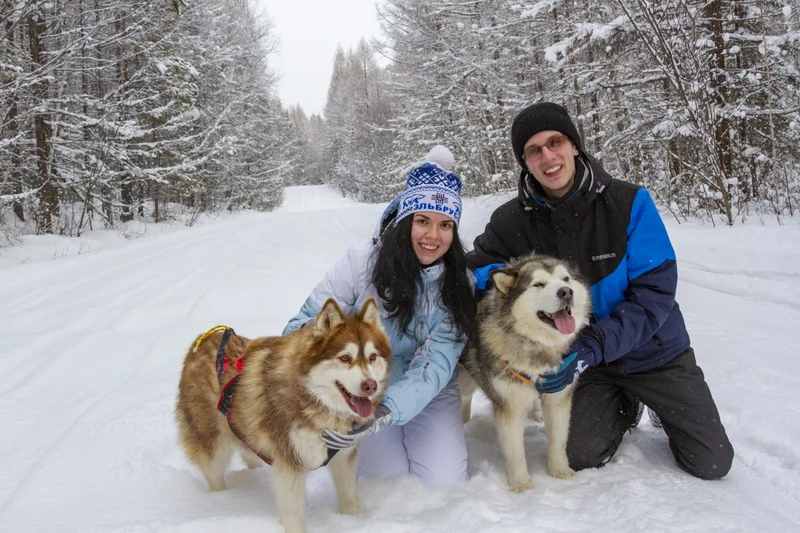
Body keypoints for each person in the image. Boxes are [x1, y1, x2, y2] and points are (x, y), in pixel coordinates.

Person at [466, 102, 734, 480]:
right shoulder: (511, 219)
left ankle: (658, 404)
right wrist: (510, 282)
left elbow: (655, 294)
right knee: (579, 454)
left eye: (555, 142)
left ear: (574, 145)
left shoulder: (629, 203)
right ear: (525, 162)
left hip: (652, 352)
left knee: (711, 463)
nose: (548, 156)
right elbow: (477, 266)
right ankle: (625, 406)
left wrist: (590, 347)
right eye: (533, 150)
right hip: (588, 365)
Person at [283, 146, 475, 486]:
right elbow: (301, 327)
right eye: (423, 221)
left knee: (442, 484)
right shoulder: (360, 264)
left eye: (446, 225)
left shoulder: (460, 284)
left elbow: (436, 363)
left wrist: (387, 413)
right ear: (405, 222)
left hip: (428, 390)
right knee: (384, 483)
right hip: (360, 390)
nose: (433, 236)